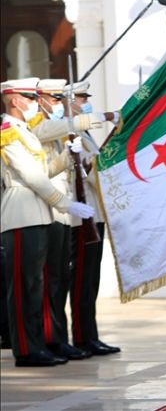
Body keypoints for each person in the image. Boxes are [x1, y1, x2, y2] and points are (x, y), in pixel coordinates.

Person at [0, 78, 94, 367]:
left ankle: (39, 345)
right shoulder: (7, 132)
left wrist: (68, 156)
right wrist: (65, 203)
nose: (34, 103)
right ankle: (26, 350)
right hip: (20, 211)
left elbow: (46, 169)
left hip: (38, 212)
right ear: (15, 100)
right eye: (30, 97)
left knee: (36, 285)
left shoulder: (24, 132)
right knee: (24, 286)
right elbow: (32, 177)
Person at [33, 79, 91, 360]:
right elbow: (42, 172)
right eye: (55, 99)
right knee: (50, 282)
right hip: (49, 209)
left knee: (60, 278)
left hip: (64, 210)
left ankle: (59, 338)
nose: (59, 104)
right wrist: (94, 118)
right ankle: (49, 339)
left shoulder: (52, 126)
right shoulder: (33, 126)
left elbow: (55, 166)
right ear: (40, 98)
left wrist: (69, 155)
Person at [63, 81, 121, 355]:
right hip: (80, 216)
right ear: (69, 102)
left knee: (91, 278)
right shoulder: (68, 132)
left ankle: (91, 335)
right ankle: (83, 337)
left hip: (94, 212)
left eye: (87, 96)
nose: (86, 101)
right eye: (81, 97)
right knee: (82, 278)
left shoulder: (84, 132)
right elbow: (82, 172)